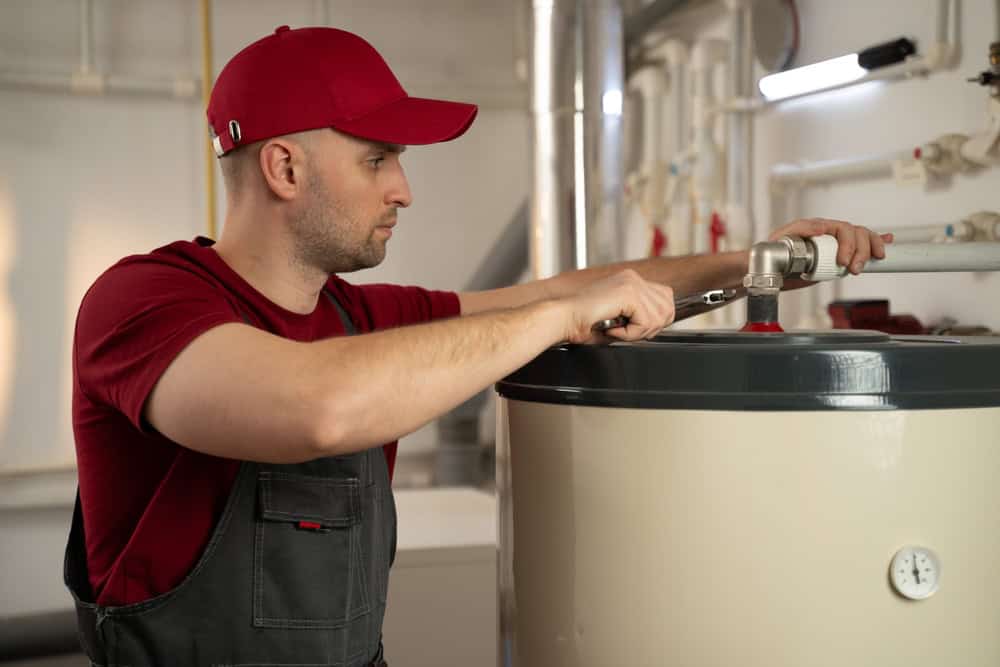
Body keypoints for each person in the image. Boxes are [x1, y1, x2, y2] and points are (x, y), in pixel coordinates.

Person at [64, 25, 890, 667]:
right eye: (378, 158)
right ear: (284, 166)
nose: (404, 189)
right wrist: (557, 320)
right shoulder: (145, 300)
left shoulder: (360, 317)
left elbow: (563, 290)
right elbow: (315, 405)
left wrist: (757, 265)